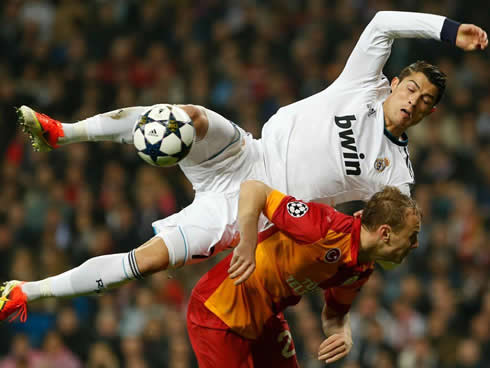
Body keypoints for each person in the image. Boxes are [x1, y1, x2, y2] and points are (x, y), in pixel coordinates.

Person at [1, 11, 486, 320]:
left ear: (429, 113)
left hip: (247, 211)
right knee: (181, 118)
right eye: (410, 89)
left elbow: (386, 231)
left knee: (145, 262)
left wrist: (342, 298)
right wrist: (448, 30)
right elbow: (382, 21)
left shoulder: (396, 172)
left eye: (423, 102)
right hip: (245, 152)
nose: (412, 102)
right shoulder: (363, 84)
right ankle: (62, 132)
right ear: (396, 82)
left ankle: (25, 292)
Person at [187, 180, 421, 367]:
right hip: (219, 311)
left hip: (266, 318)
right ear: (385, 233)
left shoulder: (360, 270)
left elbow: (334, 316)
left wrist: (343, 334)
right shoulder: (324, 227)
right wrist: (247, 243)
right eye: (412, 235)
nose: (416, 245)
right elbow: (254, 189)